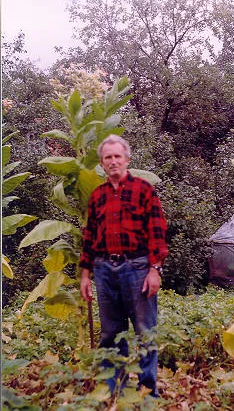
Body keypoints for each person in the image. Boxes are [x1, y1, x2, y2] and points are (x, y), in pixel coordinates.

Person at [80, 134, 168, 397]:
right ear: (102, 163)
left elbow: (157, 232)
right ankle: (114, 390)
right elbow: (89, 237)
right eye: (108, 157)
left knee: (145, 331)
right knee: (110, 333)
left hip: (138, 268)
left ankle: (147, 391)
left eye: (118, 156)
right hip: (104, 270)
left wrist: (155, 269)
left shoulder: (144, 190)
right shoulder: (97, 196)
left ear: (127, 159)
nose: (113, 161)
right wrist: (85, 276)